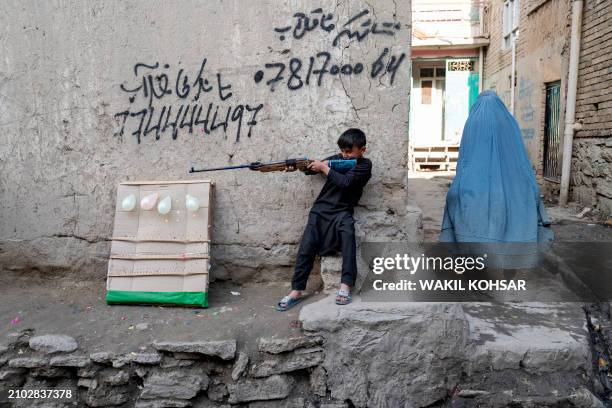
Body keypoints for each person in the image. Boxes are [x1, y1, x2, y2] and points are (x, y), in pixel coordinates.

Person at [440, 90, 553, 268]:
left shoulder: (473, 121)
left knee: (464, 208)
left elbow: (465, 159)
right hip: (513, 184)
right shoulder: (509, 122)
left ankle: (476, 259)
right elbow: (521, 159)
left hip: (474, 184)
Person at [276, 128, 372, 311]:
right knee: (306, 248)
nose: (344, 155)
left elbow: (346, 183)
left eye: (349, 151)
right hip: (320, 210)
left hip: (343, 211)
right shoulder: (337, 158)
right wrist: (300, 166)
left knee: (349, 242)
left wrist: (324, 168)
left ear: (363, 150)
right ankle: (296, 291)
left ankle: (345, 286)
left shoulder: (364, 165)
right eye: (342, 151)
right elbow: (313, 168)